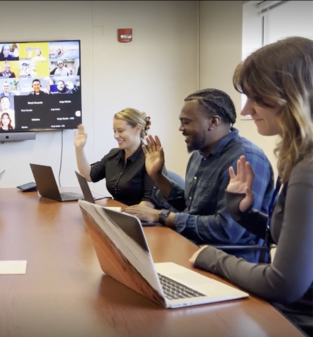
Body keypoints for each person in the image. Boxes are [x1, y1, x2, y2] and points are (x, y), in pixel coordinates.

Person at [189, 36, 313, 337]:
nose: (245, 111)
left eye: (255, 98)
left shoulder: (307, 170)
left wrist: (211, 257)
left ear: (290, 96)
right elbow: (288, 242)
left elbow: (284, 283)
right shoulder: (300, 160)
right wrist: (242, 212)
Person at [125, 88, 275, 262]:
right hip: (193, 247)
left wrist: (162, 216)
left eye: (186, 122)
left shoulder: (246, 158)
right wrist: (157, 175)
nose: (181, 128)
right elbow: (190, 207)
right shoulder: (198, 154)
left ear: (213, 122)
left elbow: (228, 230)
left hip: (231, 260)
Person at [75, 109, 159, 206]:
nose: (116, 136)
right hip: (119, 211)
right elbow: (89, 175)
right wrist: (79, 148)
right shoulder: (113, 154)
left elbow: (149, 203)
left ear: (137, 128)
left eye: (120, 131)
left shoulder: (151, 158)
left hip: (139, 217)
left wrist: (121, 214)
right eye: (114, 131)